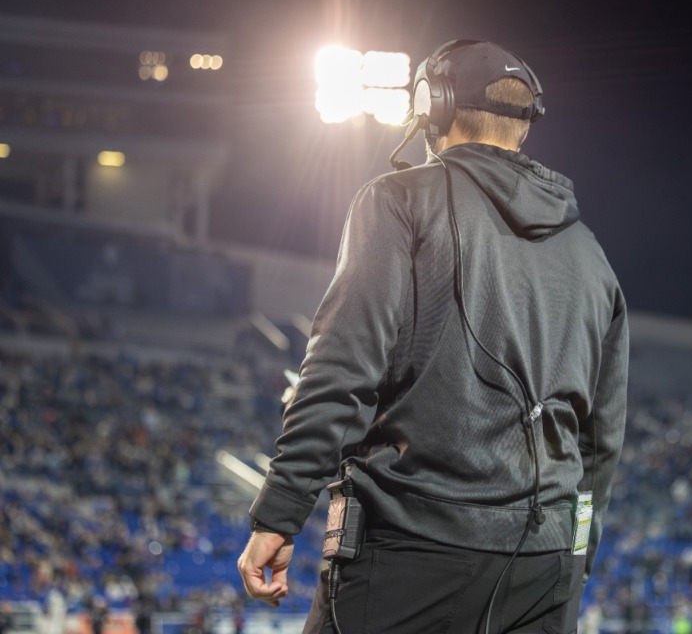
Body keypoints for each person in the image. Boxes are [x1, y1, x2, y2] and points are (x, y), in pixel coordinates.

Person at [237, 39, 628, 633]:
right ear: (524, 127)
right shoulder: (593, 254)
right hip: (547, 569)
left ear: (432, 109)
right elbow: (601, 435)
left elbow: (342, 368)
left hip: (409, 551)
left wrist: (280, 512)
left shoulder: (397, 202)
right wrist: (576, 555)